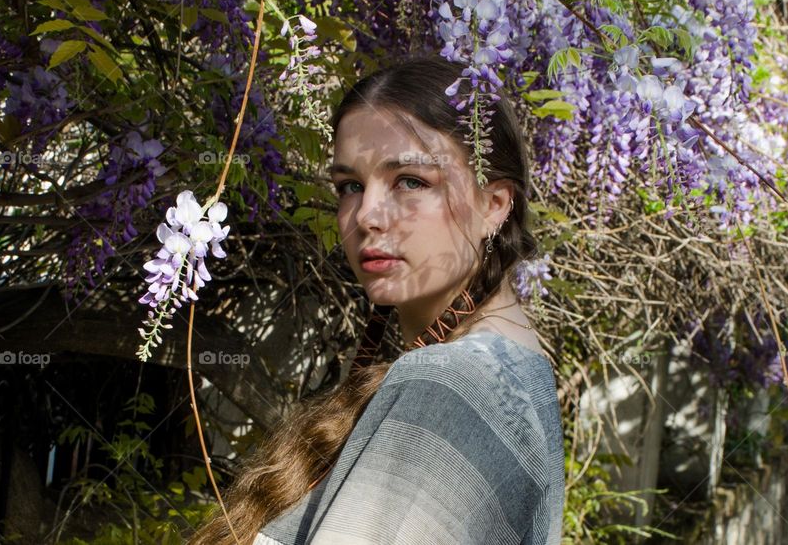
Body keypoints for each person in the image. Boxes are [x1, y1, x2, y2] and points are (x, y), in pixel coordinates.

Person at [188, 57, 565, 545]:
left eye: (410, 180)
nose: (366, 215)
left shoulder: (453, 382)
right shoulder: (514, 374)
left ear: (494, 204)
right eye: (350, 186)